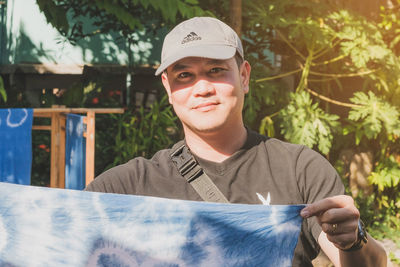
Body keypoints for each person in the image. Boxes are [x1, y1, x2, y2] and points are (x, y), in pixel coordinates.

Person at [86, 17, 387, 266]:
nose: (201, 88)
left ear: (243, 76)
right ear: (168, 88)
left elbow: (371, 263)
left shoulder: (297, 169)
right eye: (184, 75)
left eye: (216, 70)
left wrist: (352, 240)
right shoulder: (126, 187)